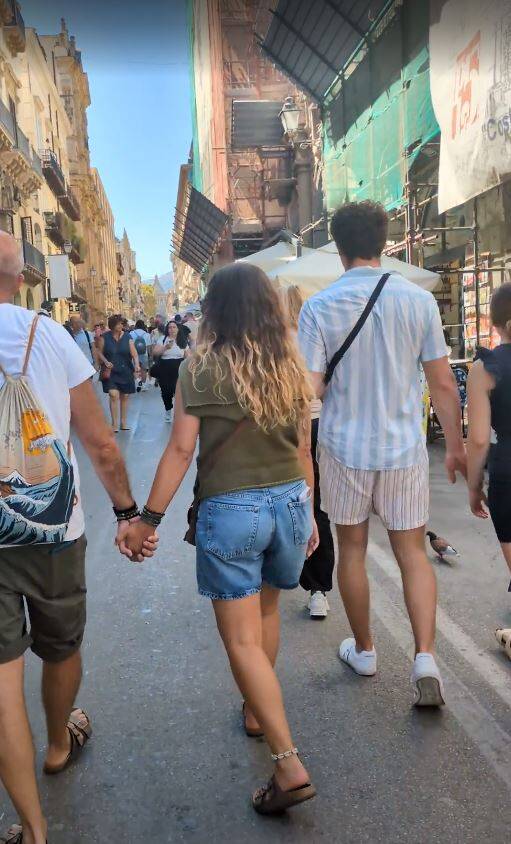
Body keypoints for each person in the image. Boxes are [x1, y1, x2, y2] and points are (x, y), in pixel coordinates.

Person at [122, 263, 319, 815]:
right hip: (290, 503)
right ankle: (257, 711)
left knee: (241, 641)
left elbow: (181, 451)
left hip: (232, 510)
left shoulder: (199, 367)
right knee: (268, 613)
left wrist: (147, 520)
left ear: (215, 310)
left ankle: (288, 764)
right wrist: (311, 516)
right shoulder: (290, 367)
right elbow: (304, 450)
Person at [0, 231, 156, 844]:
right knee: (61, 648)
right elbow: (99, 442)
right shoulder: (50, 336)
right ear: (24, 278)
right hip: (54, 532)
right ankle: (59, 744)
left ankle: (33, 829)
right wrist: (128, 514)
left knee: (2, 684)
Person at [298, 200, 466, 706]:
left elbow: (308, 392)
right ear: (384, 244)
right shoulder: (418, 301)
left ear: (339, 249)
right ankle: (425, 658)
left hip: (343, 447)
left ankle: (366, 649)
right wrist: (455, 448)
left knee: (351, 550)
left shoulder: (319, 307)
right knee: (412, 553)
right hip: (403, 449)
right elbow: (443, 383)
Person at [284, 285, 335, 619]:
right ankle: (318, 589)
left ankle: (281, 573)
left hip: (287, 429)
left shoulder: (274, 343)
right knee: (315, 507)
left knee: (283, 501)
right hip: (319, 425)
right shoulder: (318, 337)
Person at [467, 282, 511, 589]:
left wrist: (474, 486)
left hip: (507, 469)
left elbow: (479, 439)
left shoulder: (486, 368)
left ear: (495, 323)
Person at [97, 314, 140, 433]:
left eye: (122, 323)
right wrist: (105, 361)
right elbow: (99, 352)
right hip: (111, 371)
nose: (121, 325)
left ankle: (123, 422)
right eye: (119, 324)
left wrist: (137, 365)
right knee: (113, 395)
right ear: (113, 325)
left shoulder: (128, 337)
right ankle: (114, 424)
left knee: (125, 396)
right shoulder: (104, 337)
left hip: (126, 370)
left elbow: (134, 354)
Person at [152, 320, 189, 422]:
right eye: (170, 327)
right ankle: (168, 409)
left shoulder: (182, 340)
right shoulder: (163, 339)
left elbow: (188, 355)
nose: (172, 329)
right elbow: (155, 352)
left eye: (174, 327)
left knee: (178, 391)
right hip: (165, 367)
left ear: (178, 329)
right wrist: (165, 348)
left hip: (179, 367)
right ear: (167, 329)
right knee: (166, 391)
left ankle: (178, 413)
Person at [130, 319, 152, 392]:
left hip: (134, 354)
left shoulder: (131, 333)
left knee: (134, 369)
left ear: (136, 325)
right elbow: (148, 346)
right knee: (143, 370)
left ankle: (137, 381)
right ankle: (144, 385)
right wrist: (150, 355)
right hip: (144, 354)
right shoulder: (147, 334)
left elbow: (129, 345)